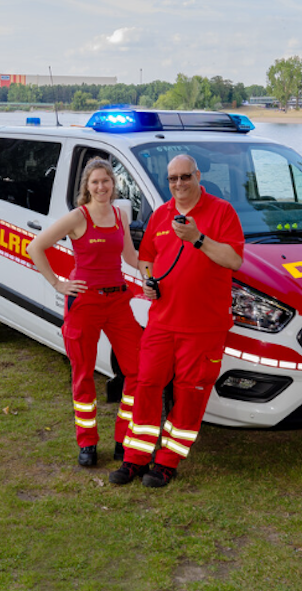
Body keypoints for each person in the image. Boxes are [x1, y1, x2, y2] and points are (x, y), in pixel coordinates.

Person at [110, 154, 244, 488]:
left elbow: (234, 260)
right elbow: (147, 259)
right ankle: (134, 458)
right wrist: (149, 281)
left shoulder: (222, 212)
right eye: (173, 179)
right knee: (145, 385)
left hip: (204, 327)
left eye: (185, 177)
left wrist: (198, 238)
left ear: (198, 176)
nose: (179, 184)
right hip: (162, 322)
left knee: (190, 394)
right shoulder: (161, 214)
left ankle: (167, 461)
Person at [28, 159, 143, 468]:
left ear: (113, 184)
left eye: (106, 181)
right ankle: (88, 443)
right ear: (87, 187)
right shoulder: (78, 217)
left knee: (137, 370)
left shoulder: (119, 215)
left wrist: (159, 273)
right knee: (83, 375)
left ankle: (125, 439)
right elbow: (36, 247)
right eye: (95, 182)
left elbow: (131, 257)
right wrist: (57, 283)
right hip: (85, 303)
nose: (101, 186)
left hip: (118, 302)